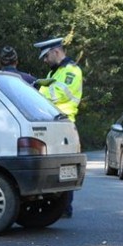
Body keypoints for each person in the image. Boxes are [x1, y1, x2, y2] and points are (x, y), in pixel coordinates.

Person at [34, 36, 83, 218]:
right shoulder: (54, 73)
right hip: (53, 123)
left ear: (56, 51)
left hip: (65, 123)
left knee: (66, 167)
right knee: (54, 166)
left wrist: (38, 90)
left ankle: (65, 207)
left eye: (46, 56)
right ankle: (56, 206)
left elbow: (60, 93)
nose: (45, 60)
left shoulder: (72, 71)